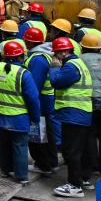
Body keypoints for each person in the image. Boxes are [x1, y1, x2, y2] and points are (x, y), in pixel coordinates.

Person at [0, 40, 41, 185]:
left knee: (4, 143)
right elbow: (33, 98)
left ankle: (5, 170)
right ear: (19, 57)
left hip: (0, 115)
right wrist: (35, 117)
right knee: (20, 145)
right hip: (19, 118)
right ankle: (22, 176)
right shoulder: (23, 74)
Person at [49, 36, 93, 197]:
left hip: (73, 113)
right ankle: (83, 179)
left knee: (71, 150)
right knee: (81, 149)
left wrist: (54, 68)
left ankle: (74, 186)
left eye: (56, 54)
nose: (55, 57)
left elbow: (56, 82)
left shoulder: (70, 67)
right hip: (81, 112)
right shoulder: (79, 63)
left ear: (64, 52)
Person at [22, 27, 59, 175]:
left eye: (26, 40)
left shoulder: (38, 59)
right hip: (46, 100)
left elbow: (34, 86)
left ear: (30, 42)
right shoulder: (44, 55)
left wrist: (29, 103)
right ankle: (51, 162)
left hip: (41, 102)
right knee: (46, 133)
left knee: (38, 135)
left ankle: (44, 164)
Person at [79, 32, 101, 176]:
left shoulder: (79, 60)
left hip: (89, 101)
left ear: (82, 47)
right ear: (100, 47)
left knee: (90, 134)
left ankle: (92, 166)